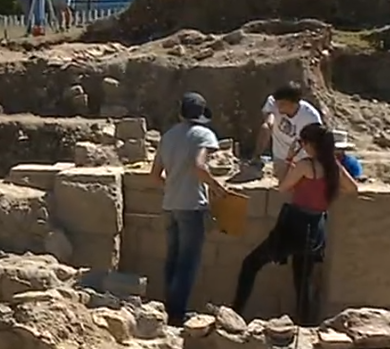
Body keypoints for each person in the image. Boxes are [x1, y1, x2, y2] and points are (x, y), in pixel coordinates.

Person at [232, 123, 358, 324]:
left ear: (310, 144)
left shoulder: (306, 166)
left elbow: (283, 187)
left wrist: (290, 158)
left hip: (294, 224)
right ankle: (305, 325)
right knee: (302, 281)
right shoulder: (334, 167)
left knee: (251, 263)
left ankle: (236, 312)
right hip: (317, 225)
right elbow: (353, 188)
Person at [150, 92, 230, 327]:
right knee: (188, 262)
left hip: (170, 205)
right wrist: (216, 186)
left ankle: (168, 310)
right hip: (192, 206)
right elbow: (199, 166)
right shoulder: (203, 134)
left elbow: (154, 176)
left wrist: (173, 185)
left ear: (180, 112)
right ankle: (178, 314)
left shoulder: (168, 136)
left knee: (173, 260)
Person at [249, 82, 322, 181]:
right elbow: (268, 124)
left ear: (294, 103)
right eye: (277, 104)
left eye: (282, 104)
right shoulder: (273, 103)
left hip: (302, 160)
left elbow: (314, 145)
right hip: (280, 157)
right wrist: (269, 122)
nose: (278, 107)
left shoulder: (310, 118)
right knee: (283, 185)